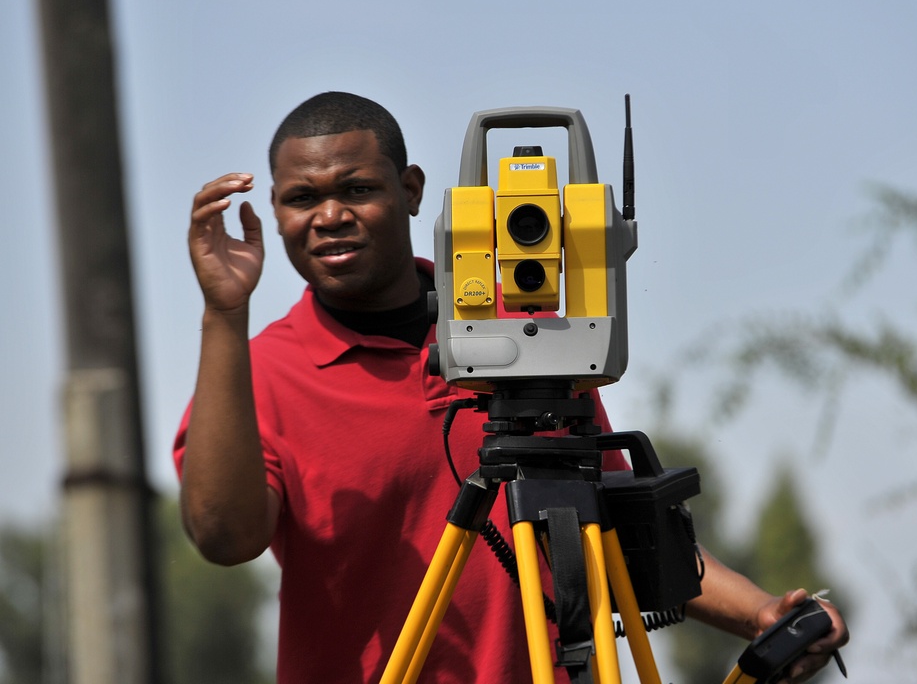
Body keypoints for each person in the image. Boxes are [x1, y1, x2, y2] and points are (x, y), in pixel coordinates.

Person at [176, 91, 848, 684]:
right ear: (274, 210)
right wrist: (223, 315)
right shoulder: (257, 371)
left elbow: (614, 522)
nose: (329, 216)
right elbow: (224, 538)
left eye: (356, 190)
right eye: (302, 198)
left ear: (411, 190)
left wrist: (760, 612)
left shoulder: (528, 332)